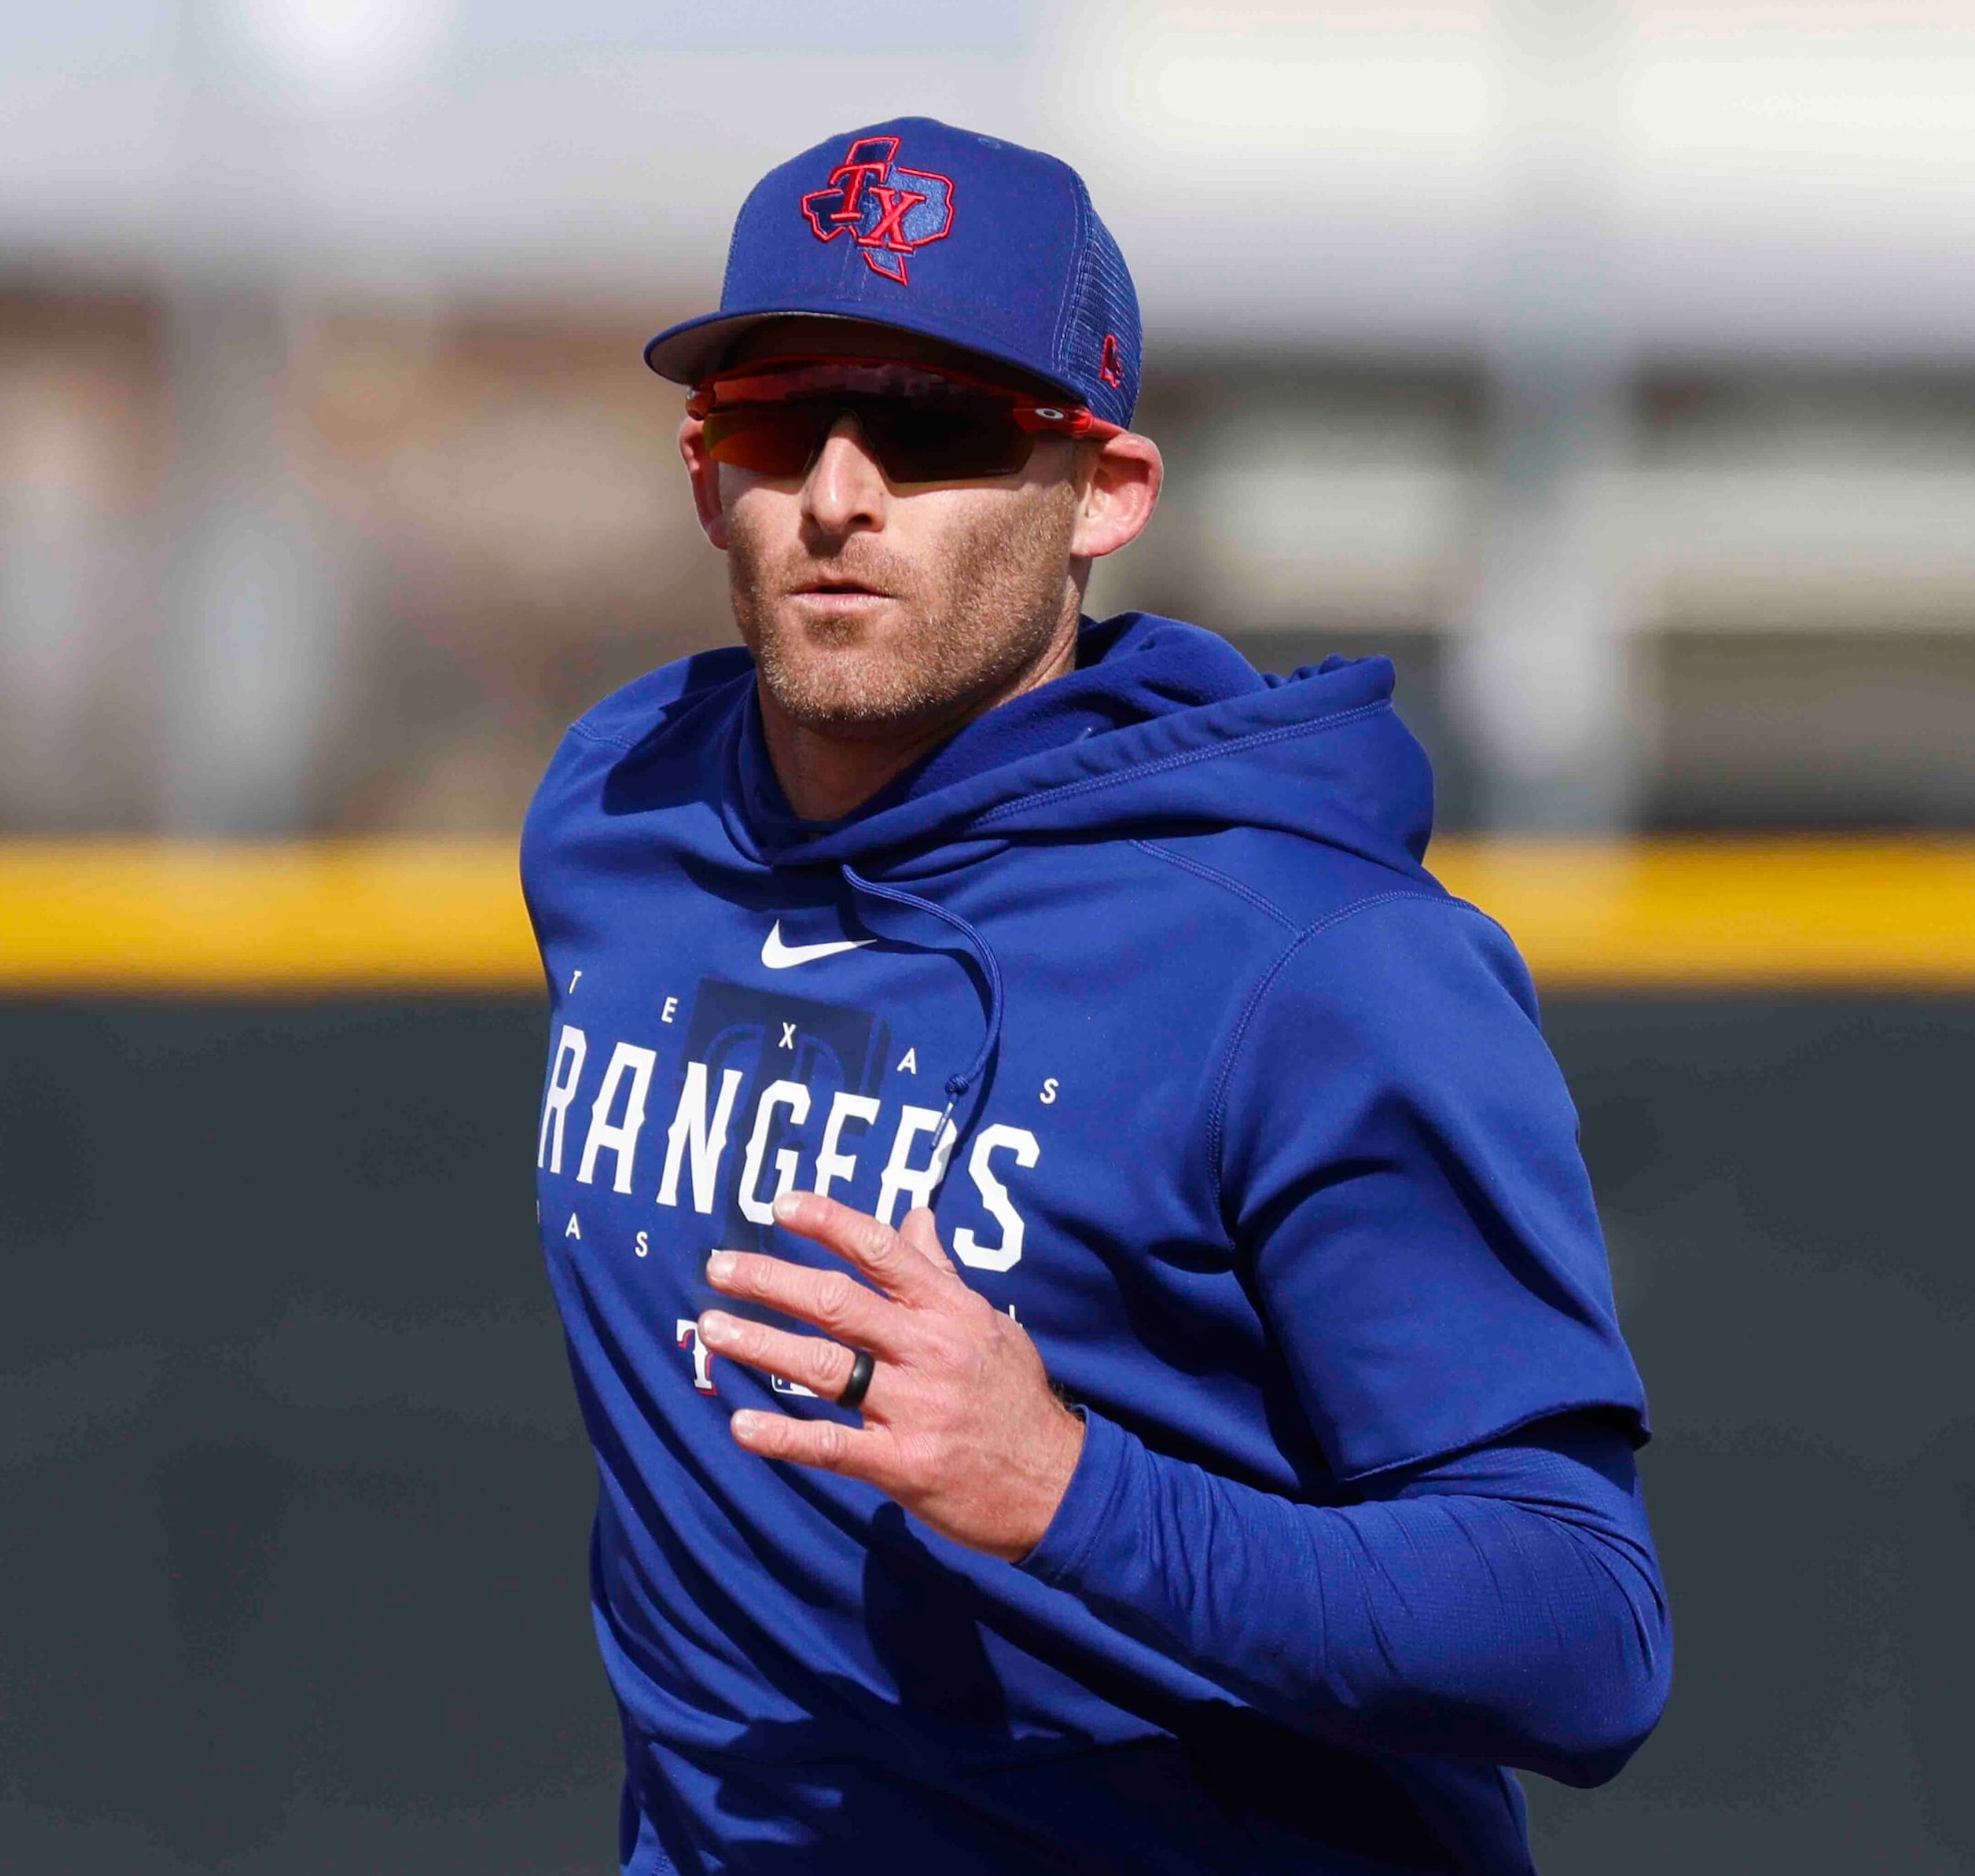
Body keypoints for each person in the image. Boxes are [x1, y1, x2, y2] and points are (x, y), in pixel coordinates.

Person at [520, 116, 1668, 1875]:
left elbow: (1584, 1632)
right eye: (774, 422)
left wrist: (1070, 1487)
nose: (839, 490)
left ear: (1107, 493)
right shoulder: (624, 819)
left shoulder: (1311, 957)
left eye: (931, 426)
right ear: (704, 475)